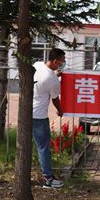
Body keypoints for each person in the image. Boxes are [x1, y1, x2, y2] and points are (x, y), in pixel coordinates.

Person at [33, 48, 66, 189]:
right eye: (62, 61)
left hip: (27, 112)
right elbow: (55, 98)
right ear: (55, 61)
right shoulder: (52, 80)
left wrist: (54, 74)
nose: (63, 63)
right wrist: (60, 110)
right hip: (39, 116)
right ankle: (48, 179)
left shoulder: (37, 65)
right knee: (43, 147)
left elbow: (42, 80)